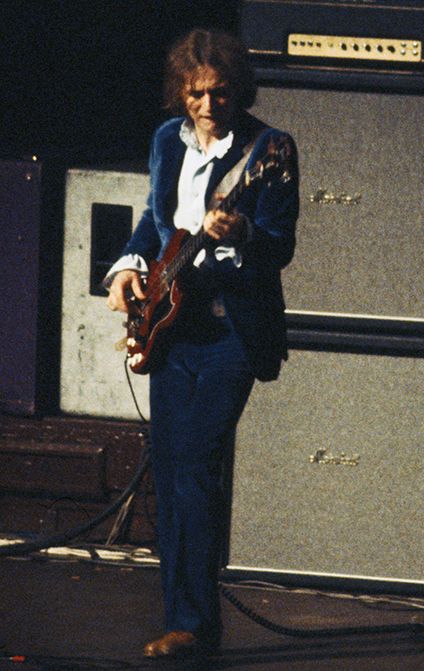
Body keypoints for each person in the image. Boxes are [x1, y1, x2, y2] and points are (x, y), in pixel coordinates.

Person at [105, 28, 299, 659]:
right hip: (171, 328)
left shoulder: (269, 149)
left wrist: (240, 228)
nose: (209, 105)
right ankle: (186, 620)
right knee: (172, 468)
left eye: (219, 93)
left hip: (230, 332)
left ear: (236, 91)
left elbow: (281, 244)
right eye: (197, 94)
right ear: (181, 94)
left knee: (195, 465)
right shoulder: (167, 141)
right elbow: (154, 218)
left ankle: (193, 623)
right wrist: (130, 267)